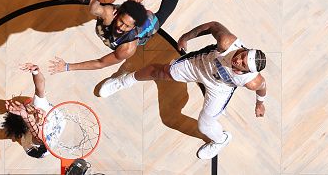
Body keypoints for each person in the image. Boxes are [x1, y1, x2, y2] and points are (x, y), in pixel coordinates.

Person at [98, 21, 268, 160]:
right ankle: (123, 81)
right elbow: (211, 26)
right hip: (199, 64)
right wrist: (186, 37)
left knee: (205, 125)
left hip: (219, 88)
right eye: (243, 55)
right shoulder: (227, 42)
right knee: (160, 72)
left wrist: (260, 103)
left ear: (247, 71)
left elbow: (262, 86)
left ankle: (221, 140)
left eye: (243, 64)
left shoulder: (252, 82)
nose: (238, 60)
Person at [50, 0, 200, 73]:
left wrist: (68, 67)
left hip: (147, 25)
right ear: (118, 13)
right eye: (121, 21)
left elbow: (101, 63)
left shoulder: (127, 48)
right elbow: (94, 8)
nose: (120, 27)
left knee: (162, 14)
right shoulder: (110, 14)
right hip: (127, 10)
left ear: (133, 27)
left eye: (126, 26)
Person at [2, 63, 65, 158]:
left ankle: (15, 134)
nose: (38, 111)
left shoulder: (38, 106)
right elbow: (39, 138)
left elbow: (40, 86)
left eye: (34, 111)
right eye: (34, 116)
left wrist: (36, 72)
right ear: (30, 125)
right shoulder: (33, 140)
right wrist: (25, 116)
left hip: (52, 119)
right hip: (39, 150)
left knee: (31, 101)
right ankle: (15, 135)